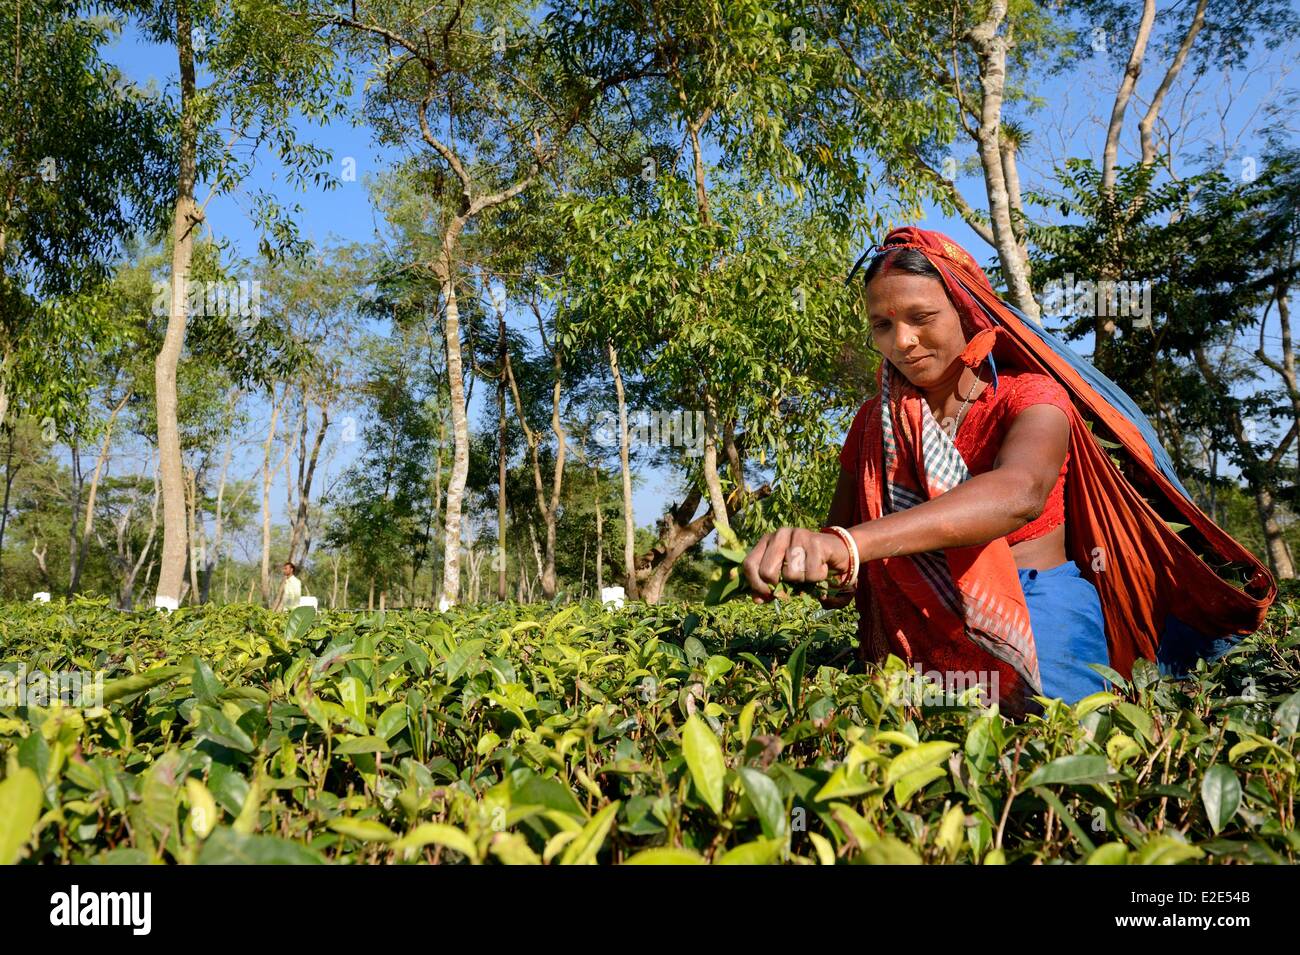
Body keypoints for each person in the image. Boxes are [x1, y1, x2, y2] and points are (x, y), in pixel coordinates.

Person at [741, 226, 1274, 717]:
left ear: (969, 311)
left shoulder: (1030, 397)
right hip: (915, 628)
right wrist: (806, 563)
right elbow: (843, 543)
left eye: (922, 318)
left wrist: (847, 546)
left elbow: (1020, 493)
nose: (901, 341)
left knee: (1060, 762)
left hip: (1036, 607)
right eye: (883, 325)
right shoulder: (873, 422)